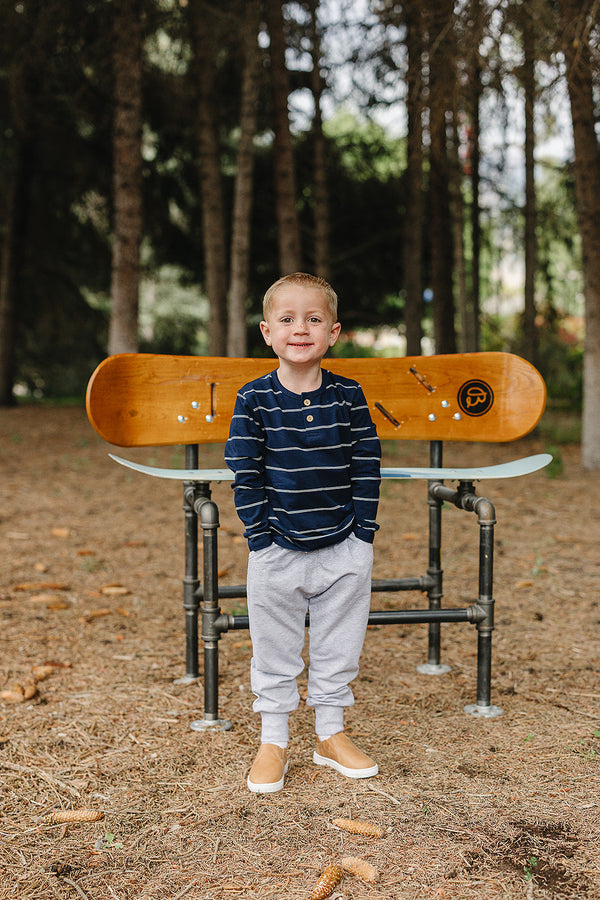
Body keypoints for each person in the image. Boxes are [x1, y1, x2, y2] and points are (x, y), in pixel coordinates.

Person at [224, 272, 381, 793]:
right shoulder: (254, 401)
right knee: (275, 645)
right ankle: (274, 739)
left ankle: (330, 735)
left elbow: (366, 463)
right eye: (287, 319)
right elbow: (245, 474)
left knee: (340, 642)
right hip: (278, 550)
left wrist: (363, 536)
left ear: (332, 333)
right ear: (267, 332)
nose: (300, 328)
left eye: (313, 319)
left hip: (344, 545)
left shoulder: (348, 395)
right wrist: (260, 540)